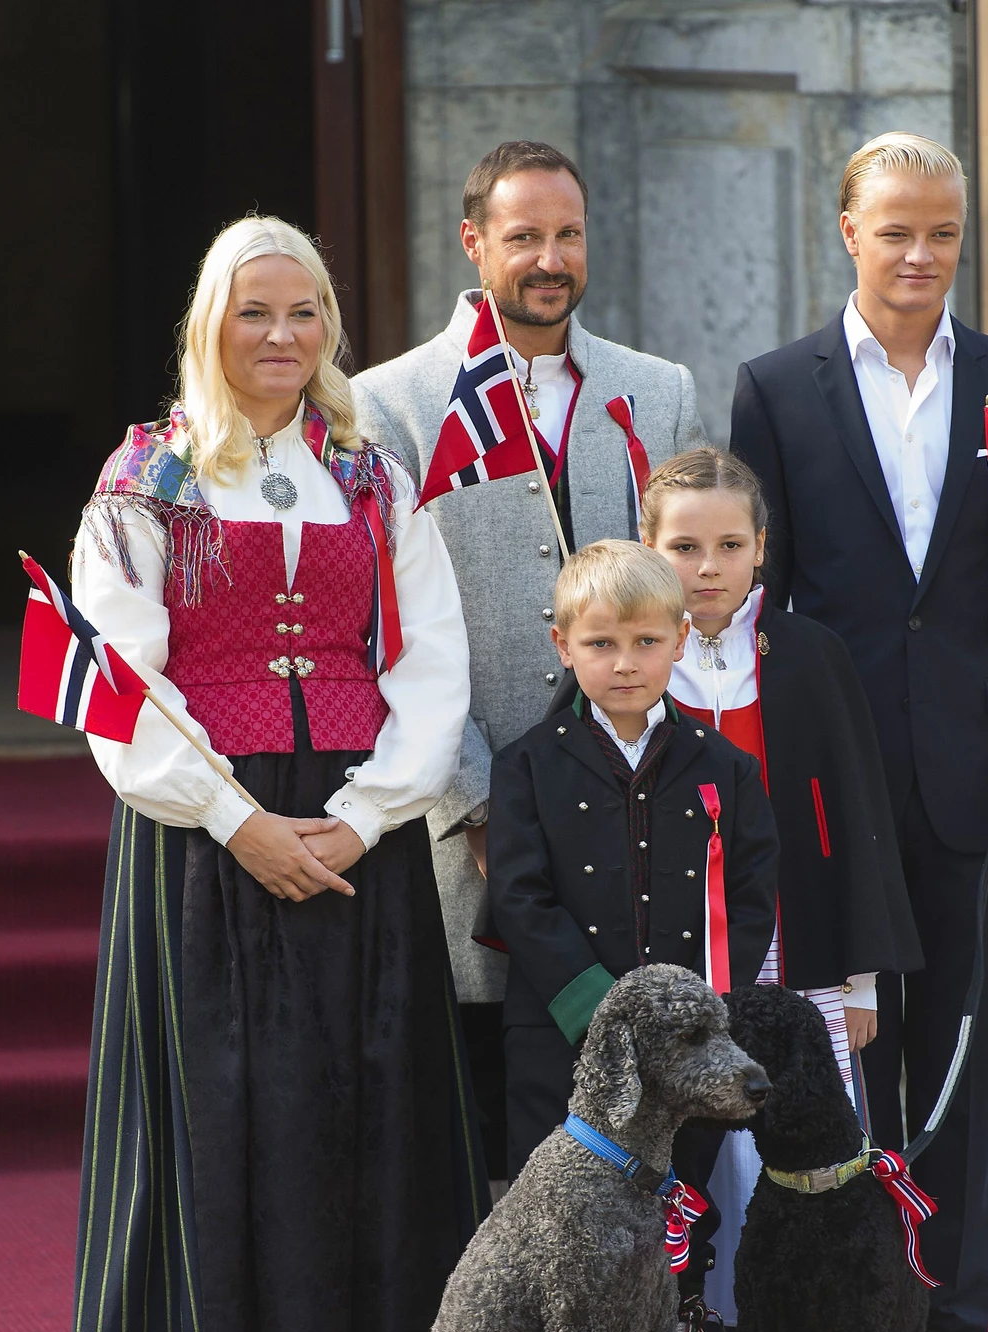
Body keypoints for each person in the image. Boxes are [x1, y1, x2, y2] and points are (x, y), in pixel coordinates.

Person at [66, 216, 488, 1332]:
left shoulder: (373, 471)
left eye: (304, 311)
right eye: (256, 312)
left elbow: (431, 661)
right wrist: (237, 818)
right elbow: (114, 683)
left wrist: (363, 818)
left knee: (370, 1106)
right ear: (210, 321)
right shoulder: (147, 478)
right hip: (207, 833)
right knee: (238, 1117)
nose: (281, 336)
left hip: (355, 829)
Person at [729, 133, 988, 1332]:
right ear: (847, 231)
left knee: (955, 1077)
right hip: (824, 802)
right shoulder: (774, 389)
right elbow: (752, 605)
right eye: (895, 230)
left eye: (941, 232)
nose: (920, 255)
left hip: (974, 795)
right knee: (832, 1078)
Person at [352, 140, 708, 1184]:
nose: (548, 259)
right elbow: (385, 630)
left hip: (631, 816)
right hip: (467, 819)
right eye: (523, 238)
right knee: (483, 1121)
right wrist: (473, 803)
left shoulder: (658, 392)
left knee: (636, 1114)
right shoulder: (392, 406)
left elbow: (686, 599)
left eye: (567, 235)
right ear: (473, 243)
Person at [641, 446, 921, 1332]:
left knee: (790, 1188)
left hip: (790, 973)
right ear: (648, 543)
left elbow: (852, 816)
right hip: (680, 978)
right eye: (682, 545)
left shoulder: (804, 655)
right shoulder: (632, 653)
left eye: (727, 544)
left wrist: (855, 982)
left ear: (761, 548)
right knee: (690, 1187)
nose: (706, 567)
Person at [484, 540, 779, 1178]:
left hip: (685, 1050)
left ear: (679, 640)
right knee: (557, 1226)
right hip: (559, 1035)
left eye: (646, 642)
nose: (624, 664)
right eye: (600, 645)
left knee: (680, 1219)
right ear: (563, 645)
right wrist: (600, 1014)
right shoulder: (525, 768)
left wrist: (703, 1015)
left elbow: (751, 899)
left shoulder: (728, 768)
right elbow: (519, 897)